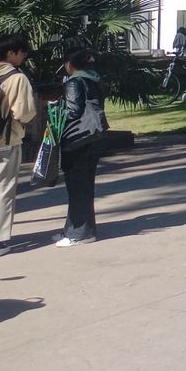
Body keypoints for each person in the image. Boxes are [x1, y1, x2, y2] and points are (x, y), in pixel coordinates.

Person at [56, 47, 109, 246]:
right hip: (94, 136)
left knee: (77, 186)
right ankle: (75, 228)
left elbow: (73, 111)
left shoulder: (74, 82)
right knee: (85, 185)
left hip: (77, 138)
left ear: (69, 65)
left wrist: (54, 111)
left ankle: (80, 232)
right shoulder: (94, 80)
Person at [0, 34, 37, 258]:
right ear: (11, 53)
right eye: (21, 52)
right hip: (5, 142)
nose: (23, 56)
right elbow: (23, 113)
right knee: (3, 192)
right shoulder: (16, 78)